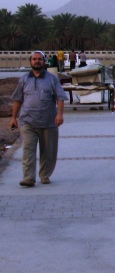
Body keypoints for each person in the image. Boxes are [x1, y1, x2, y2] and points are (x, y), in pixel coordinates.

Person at [10, 51, 69, 187]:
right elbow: (17, 99)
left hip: (49, 121)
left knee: (48, 151)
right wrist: (14, 117)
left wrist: (60, 114)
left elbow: (60, 97)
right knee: (28, 149)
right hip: (27, 121)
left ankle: (45, 175)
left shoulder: (52, 79)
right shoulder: (24, 79)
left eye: (39, 59)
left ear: (44, 61)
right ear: (30, 61)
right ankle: (28, 178)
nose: (37, 61)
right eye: (34, 59)